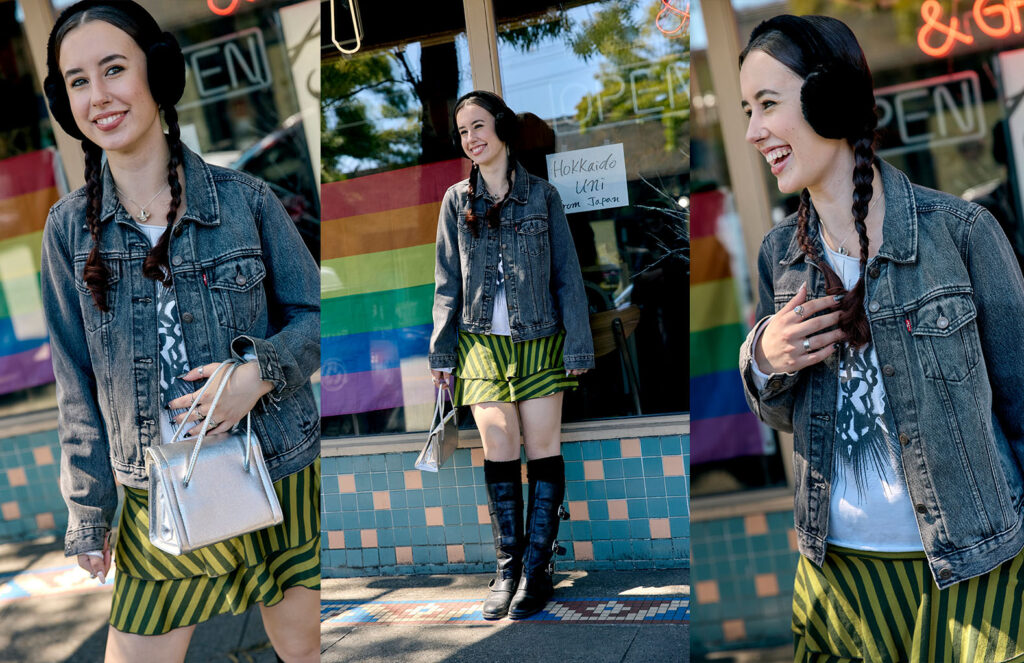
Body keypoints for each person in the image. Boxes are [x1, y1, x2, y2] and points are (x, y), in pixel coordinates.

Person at [737, 15, 1024, 663]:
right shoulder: (778, 257)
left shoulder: (964, 233)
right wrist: (763, 356)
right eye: (747, 110)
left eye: (768, 105)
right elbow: (780, 411)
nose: (753, 132)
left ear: (828, 100)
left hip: (977, 565)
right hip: (840, 579)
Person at [39, 2, 320, 660]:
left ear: (157, 74)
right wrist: (88, 508)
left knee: (301, 649)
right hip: (155, 486)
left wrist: (257, 374)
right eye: (78, 81)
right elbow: (73, 381)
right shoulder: (68, 231)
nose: (99, 95)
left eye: (114, 69)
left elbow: (314, 318)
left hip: (278, 465)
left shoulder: (248, 202)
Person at [428, 90, 595, 620]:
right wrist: (442, 352)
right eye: (462, 132)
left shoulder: (542, 196)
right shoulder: (457, 201)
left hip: (541, 336)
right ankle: (507, 567)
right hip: (481, 342)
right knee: (499, 443)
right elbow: (446, 283)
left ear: (501, 127)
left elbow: (568, 275)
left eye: (479, 126)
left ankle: (538, 569)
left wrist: (578, 342)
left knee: (543, 446)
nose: (471, 139)